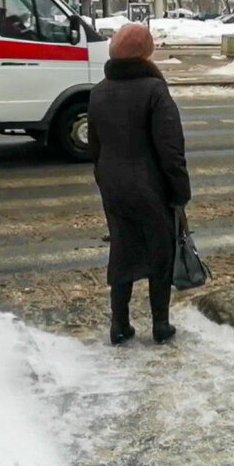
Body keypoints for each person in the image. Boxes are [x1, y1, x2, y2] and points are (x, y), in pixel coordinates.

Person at [87, 24, 191, 345]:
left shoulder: (98, 91)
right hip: (151, 187)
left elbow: (95, 147)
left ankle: (119, 324)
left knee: (123, 249)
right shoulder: (154, 91)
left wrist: (106, 182)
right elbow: (171, 149)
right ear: (145, 52)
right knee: (160, 251)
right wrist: (179, 192)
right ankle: (161, 325)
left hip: (114, 187)